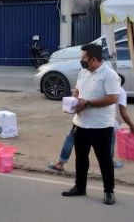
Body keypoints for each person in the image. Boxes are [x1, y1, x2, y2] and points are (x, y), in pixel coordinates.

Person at [61, 44, 120, 205]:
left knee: (104, 160)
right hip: (80, 123)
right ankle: (80, 187)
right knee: (81, 158)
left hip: (101, 126)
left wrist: (87, 103)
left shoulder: (109, 75)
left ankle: (109, 191)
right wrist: (73, 102)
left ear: (93, 59)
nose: (81, 60)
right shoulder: (83, 72)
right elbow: (78, 91)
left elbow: (113, 98)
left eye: (83, 58)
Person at [50, 75, 134, 172]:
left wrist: (73, 108)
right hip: (106, 123)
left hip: (84, 120)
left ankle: (60, 164)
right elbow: (123, 113)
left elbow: (76, 100)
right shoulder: (121, 92)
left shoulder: (94, 85)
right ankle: (109, 165)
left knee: (72, 139)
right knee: (107, 144)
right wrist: (131, 125)